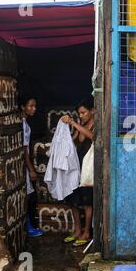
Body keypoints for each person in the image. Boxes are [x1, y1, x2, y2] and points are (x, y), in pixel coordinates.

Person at [60, 97, 95, 247]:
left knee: (87, 201)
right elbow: (73, 140)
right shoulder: (80, 125)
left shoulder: (95, 126)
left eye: (83, 113)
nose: (81, 116)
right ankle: (77, 230)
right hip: (76, 167)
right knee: (72, 199)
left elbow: (93, 137)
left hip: (88, 169)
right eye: (79, 114)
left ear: (93, 111)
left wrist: (73, 122)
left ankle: (86, 232)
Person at [20, 95, 44, 238]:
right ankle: (28, 227)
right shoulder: (23, 125)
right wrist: (31, 169)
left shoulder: (24, 123)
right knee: (27, 196)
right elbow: (25, 150)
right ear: (23, 107)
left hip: (21, 165)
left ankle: (29, 226)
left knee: (27, 195)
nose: (34, 108)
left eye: (35, 106)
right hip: (23, 166)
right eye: (30, 106)